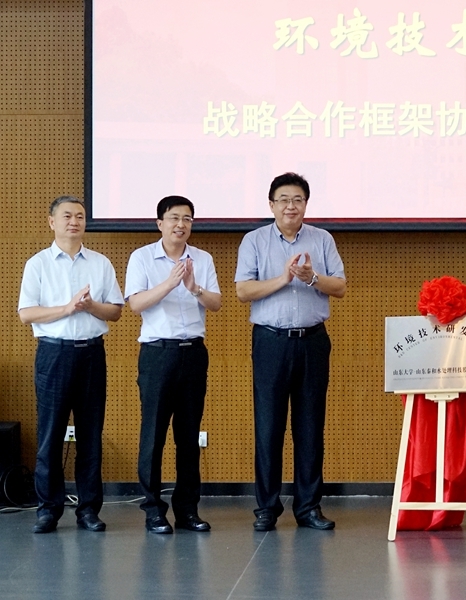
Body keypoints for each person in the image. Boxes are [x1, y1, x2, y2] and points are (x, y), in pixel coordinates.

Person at [236, 172, 346, 531]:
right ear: (271, 204)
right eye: (283, 199)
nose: (290, 206)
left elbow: (340, 286)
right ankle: (267, 508)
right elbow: (243, 291)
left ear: (306, 204)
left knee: (310, 426)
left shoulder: (322, 239)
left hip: (313, 340)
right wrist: (284, 278)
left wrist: (311, 277)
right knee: (268, 426)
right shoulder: (254, 241)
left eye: (297, 199)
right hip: (270, 341)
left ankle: (308, 507)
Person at [18, 195, 124, 533]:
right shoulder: (38, 264)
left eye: (80, 216)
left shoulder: (100, 263)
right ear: (52, 222)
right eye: (67, 216)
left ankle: (88, 510)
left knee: (91, 436)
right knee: (50, 434)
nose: (74, 221)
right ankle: (48, 510)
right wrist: (67, 309)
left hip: (92, 354)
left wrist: (90, 306)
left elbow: (115, 311)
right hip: (54, 354)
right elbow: (26, 314)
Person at [124, 196, 222, 534]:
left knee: (189, 436)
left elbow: (216, 303)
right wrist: (169, 283)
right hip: (157, 353)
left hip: (193, 353)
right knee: (153, 434)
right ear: (160, 223)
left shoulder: (202, 259)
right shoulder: (141, 258)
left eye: (187, 219)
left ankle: (187, 510)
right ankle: (153, 510)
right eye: (174, 218)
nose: (181, 224)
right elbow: (136, 304)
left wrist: (194, 288)